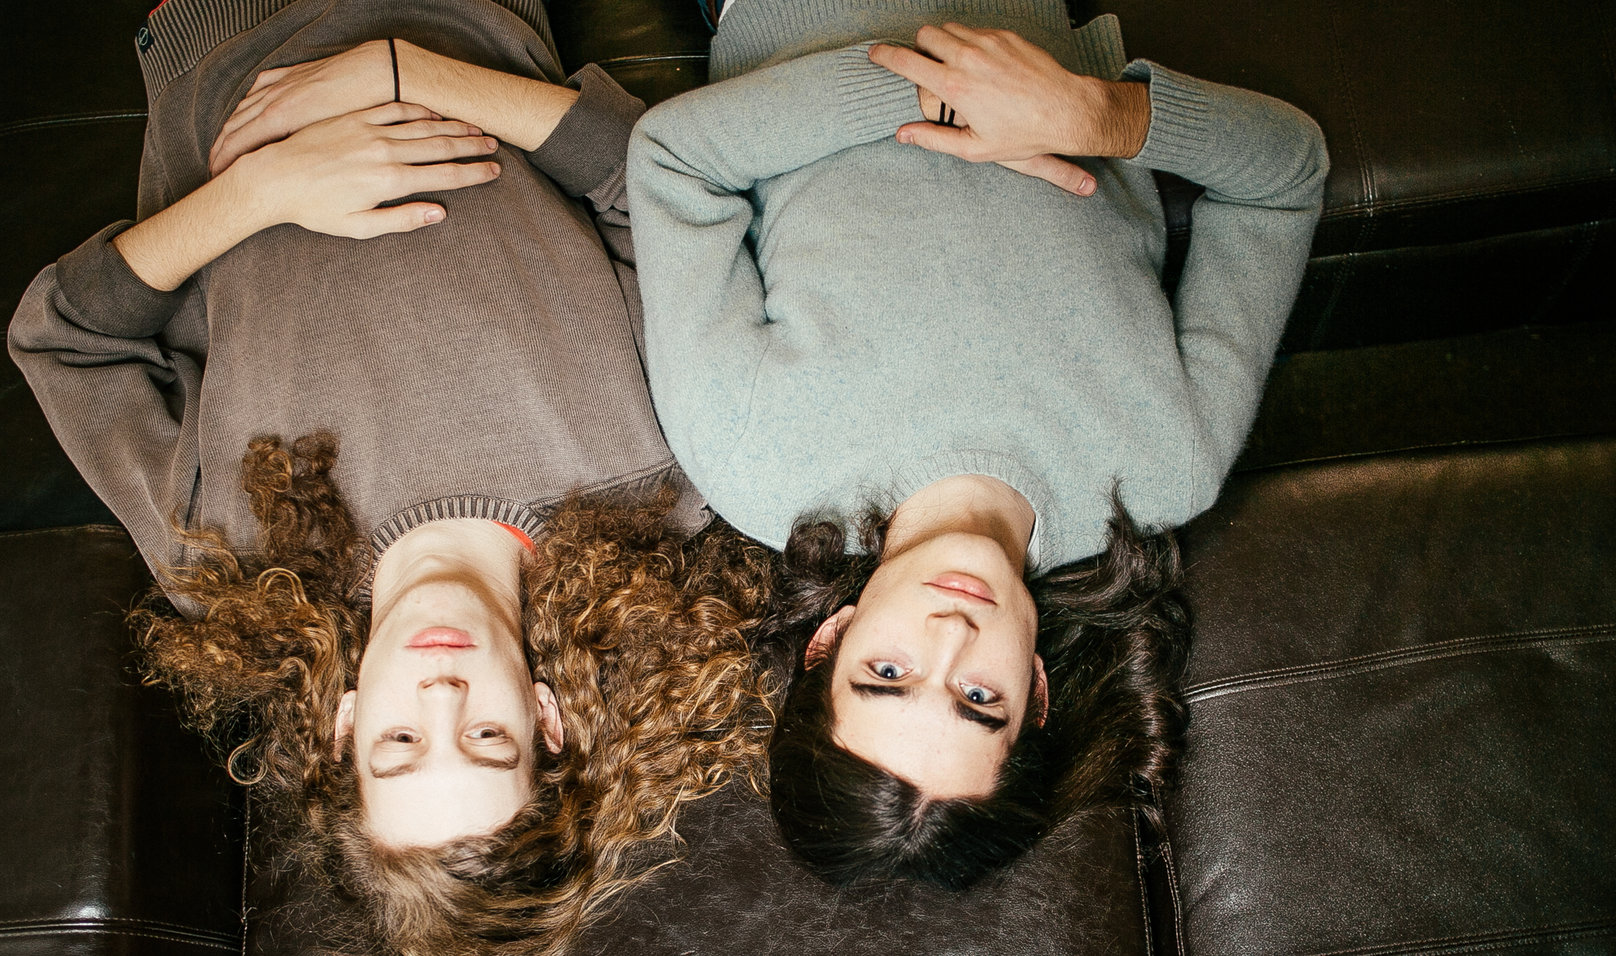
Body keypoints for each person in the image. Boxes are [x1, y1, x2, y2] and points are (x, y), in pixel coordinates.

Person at [8, 0, 773, 950]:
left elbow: (62, 337)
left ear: (342, 731)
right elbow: (655, 179)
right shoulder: (662, 481)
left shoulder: (231, 566)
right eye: (488, 740)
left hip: (224, 38)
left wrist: (258, 191)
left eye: (400, 744)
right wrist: (404, 69)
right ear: (547, 720)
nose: (441, 694)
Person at [626, 0, 1327, 887]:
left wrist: (937, 93)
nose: (952, 636)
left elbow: (672, 159)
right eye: (980, 698)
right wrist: (1095, 116)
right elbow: (1286, 174)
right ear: (1037, 692)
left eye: (888, 672)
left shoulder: (754, 462)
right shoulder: (1167, 462)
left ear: (830, 639)